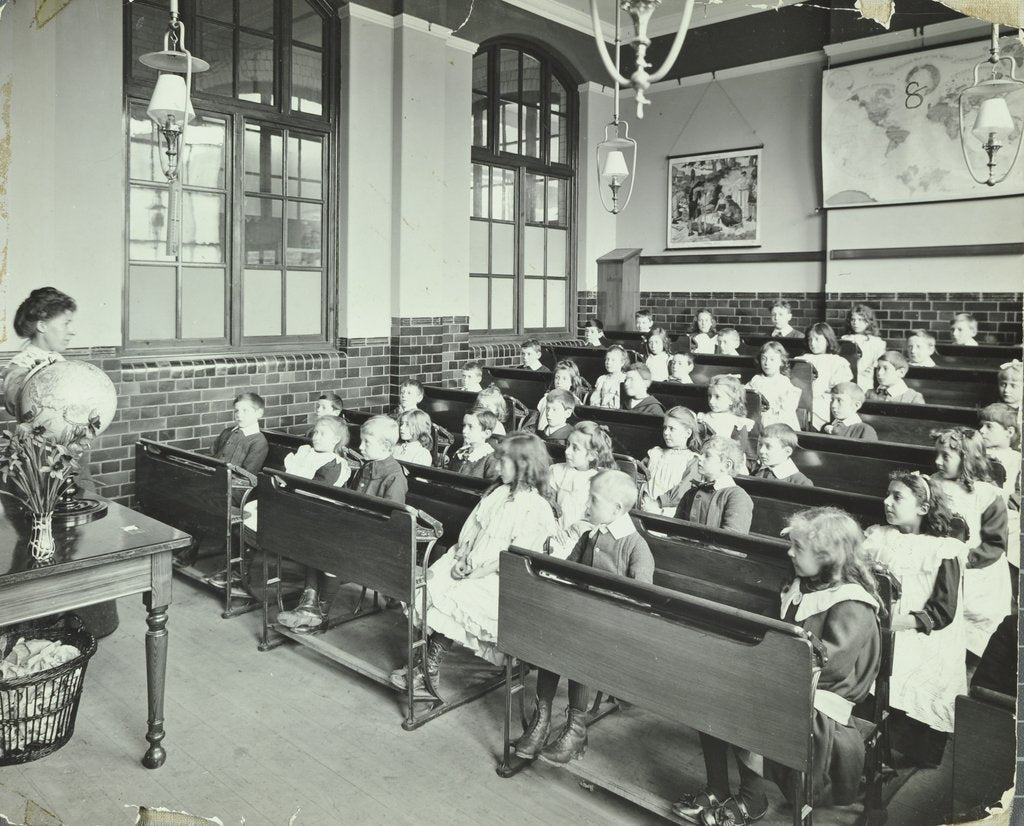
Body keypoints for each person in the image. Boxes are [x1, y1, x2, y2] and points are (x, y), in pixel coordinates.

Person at [673, 508, 881, 824]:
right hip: (787, 680)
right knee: (713, 687)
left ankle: (752, 799)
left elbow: (831, 667)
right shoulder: (803, 585)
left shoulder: (852, 603)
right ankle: (717, 787)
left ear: (827, 557)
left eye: (798, 547)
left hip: (821, 703)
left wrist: (763, 672)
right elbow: (769, 630)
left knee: (743, 701)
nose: (789, 552)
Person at [390, 434, 559, 696]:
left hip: (499, 576)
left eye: (504, 463)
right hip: (470, 562)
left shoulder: (536, 508)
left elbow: (517, 555)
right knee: (432, 587)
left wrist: (478, 571)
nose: (498, 468)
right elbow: (473, 530)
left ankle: (428, 670)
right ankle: (422, 663)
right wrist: (462, 556)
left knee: (454, 602)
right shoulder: (498, 493)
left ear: (524, 466)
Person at [514, 470, 655, 763]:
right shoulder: (590, 535)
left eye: (593, 500)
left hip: (612, 631)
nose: (587, 505)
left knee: (576, 645)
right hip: (581, 621)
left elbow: (641, 601)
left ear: (616, 508)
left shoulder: (636, 546)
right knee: (554, 637)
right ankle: (542, 719)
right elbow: (566, 572)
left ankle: (576, 729)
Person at [862, 471, 968, 767]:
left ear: (923, 507)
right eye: (887, 494)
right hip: (884, 626)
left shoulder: (942, 549)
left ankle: (909, 753)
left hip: (922, 634)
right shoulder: (879, 536)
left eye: (897, 497)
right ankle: (872, 748)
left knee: (916, 685)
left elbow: (943, 611)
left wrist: (893, 623)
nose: (887, 502)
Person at [276, 415, 407, 631]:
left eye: (366, 442)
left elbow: (391, 523)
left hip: (375, 540)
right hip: (354, 531)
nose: (360, 447)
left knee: (333, 551)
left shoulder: (394, 477)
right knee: (315, 537)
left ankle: (321, 614)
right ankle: (308, 604)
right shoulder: (367, 467)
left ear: (385, 446)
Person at [930, 427, 1010, 658]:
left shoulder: (986, 494)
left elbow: (995, 543)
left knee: (973, 620)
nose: (937, 461)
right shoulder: (935, 482)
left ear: (966, 460)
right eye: (937, 454)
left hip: (975, 566)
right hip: (941, 561)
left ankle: (972, 660)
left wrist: (968, 560)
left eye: (946, 456)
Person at [241, 416, 352, 533]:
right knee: (254, 510)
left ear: (336, 439)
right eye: (316, 432)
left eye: (322, 434)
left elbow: (315, 492)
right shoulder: (305, 451)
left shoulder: (333, 463)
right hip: (290, 499)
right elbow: (287, 474)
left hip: (311, 509)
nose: (316, 437)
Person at [3, 287, 77, 417]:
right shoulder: (21, 364)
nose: (72, 331)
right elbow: (14, 404)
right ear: (42, 326)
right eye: (66, 324)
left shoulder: (58, 358)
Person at [546, 421, 617, 558]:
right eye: (568, 444)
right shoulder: (557, 471)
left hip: (582, 540)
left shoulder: (599, 481)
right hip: (555, 533)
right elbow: (546, 502)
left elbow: (597, 520)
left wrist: (576, 533)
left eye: (575, 448)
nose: (567, 451)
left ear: (592, 455)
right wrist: (553, 526)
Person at [674, 437, 753, 533]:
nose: (700, 458)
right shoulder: (691, 493)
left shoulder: (737, 496)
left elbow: (732, 538)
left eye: (707, 455)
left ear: (726, 465)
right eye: (701, 454)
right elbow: (675, 531)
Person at [979, 403, 1021, 573]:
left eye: (989, 426)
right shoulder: (978, 456)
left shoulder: (1016, 459)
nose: (981, 431)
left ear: (1009, 432)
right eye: (981, 425)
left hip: (1004, 510)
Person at [639, 406, 701, 516]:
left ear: (687, 433)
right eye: (665, 428)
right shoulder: (655, 453)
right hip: (644, 504)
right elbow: (638, 474)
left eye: (672, 429)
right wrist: (644, 497)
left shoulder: (692, 459)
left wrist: (658, 503)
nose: (666, 433)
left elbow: (684, 490)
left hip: (670, 512)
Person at [795, 323, 853, 430]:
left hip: (824, 404)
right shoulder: (801, 359)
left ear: (827, 340)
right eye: (810, 339)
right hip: (801, 402)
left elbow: (839, 390)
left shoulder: (837, 362)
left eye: (817, 339)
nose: (812, 343)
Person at [697, 374, 755, 466]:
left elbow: (738, 450)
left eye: (717, 397)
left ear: (731, 400)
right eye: (709, 396)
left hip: (724, 462)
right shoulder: (703, 417)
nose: (711, 401)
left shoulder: (738, 423)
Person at [747, 341, 801, 430]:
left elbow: (789, 407)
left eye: (772, 359)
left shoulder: (783, 381)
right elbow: (747, 396)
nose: (767, 363)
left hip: (778, 419)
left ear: (781, 362)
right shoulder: (756, 379)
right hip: (759, 418)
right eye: (763, 358)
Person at [841, 304, 887, 393]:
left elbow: (877, 364)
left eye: (860, 319)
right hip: (848, 377)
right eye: (853, 319)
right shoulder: (845, 339)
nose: (855, 323)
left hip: (867, 379)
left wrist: (872, 369)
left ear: (868, 321)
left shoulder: (877, 342)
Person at [449, 408, 501, 479]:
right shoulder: (460, 453)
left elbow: (492, 484)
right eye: (464, 425)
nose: (464, 431)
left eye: (470, 427)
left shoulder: (491, 459)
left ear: (486, 433)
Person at [537, 361, 588, 430]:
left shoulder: (577, 402)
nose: (559, 382)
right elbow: (541, 427)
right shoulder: (548, 399)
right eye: (557, 377)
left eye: (564, 378)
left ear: (572, 382)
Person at [589, 345, 628, 409]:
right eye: (607, 359)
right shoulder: (602, 379)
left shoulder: (626, 379)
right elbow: (594, 400)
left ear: (622, 362)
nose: (608, 362)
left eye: (613, 360)